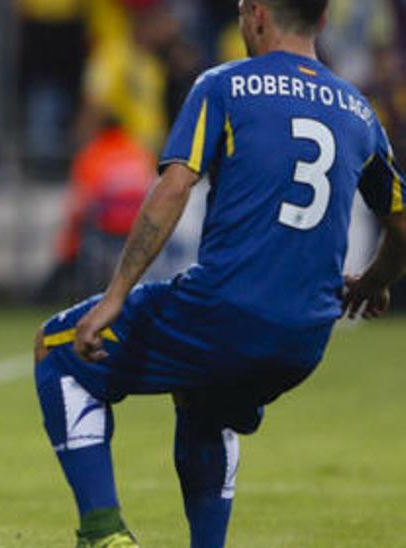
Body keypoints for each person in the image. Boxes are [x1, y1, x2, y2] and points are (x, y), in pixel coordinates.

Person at [32, 0, 406, 546]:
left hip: (222, 312)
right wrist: (374, 282)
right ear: (322, 22)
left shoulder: (224, 84)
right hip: (304, 339)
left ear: (255, 14)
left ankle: (102, 534)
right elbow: (401, 221)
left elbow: (175, 187)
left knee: (57, 351)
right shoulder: (358, 111)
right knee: (205, 398)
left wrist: (115, 294)